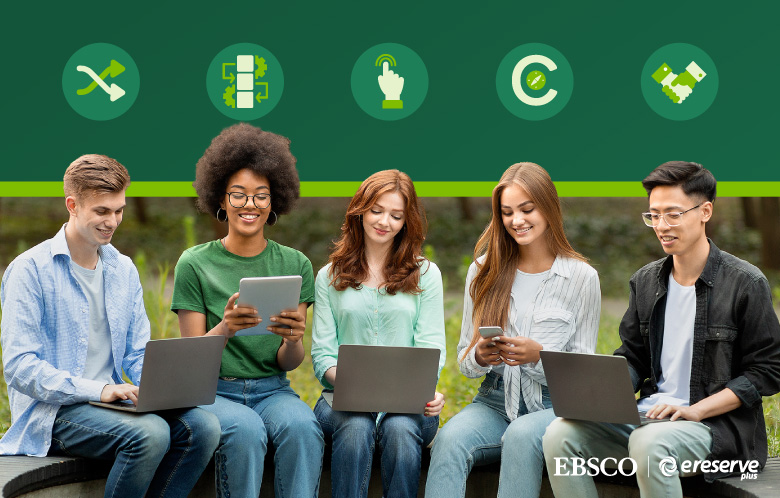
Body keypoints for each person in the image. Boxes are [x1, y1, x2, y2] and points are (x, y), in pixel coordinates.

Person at [543, 161, 780, 497]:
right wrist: (601, 394)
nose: (661, 225)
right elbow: (633, 357)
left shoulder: (745, 283)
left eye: (673, 214)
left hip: (716, 428)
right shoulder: (646, 282)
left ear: (705, 211)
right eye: (653, 215)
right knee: (559, 434)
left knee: (648, 444)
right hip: (651, 415)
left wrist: (696, 410)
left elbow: (768, 370)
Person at [0, 154, 221, 498]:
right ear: (72, 205)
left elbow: (136, 353)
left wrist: (164, 385)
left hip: (111, 405)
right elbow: (19, 367)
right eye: (102, 211)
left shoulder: (123, 269)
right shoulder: (29, 270)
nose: (112, 221)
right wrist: (98, 390)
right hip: (53, 413)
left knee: (204, 428)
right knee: (150, 434)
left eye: (119, 210)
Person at [425, 162, 601, 498]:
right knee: (449, 439)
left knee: (522, 433)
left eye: (526, 209)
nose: (516, 220)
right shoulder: (482, 271)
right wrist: (479, 354)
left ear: (548, 207)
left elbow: (584, 374)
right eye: (507, 212)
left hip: (555, 407)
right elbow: (464, 361)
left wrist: (541, 357)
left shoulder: (581, 278)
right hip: (492, 402)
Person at [171, 123, 324, 498]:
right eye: (237, 195)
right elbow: (190, 361)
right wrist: (225, 328)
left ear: (274, 201)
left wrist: (293, 340)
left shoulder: (296, 264)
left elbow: (290, 362)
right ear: (221, 200)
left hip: (274, 390)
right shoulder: (194, 263)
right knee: (245, 431)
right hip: (214, 393)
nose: (249, 205)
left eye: (260, 196)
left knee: (304, 428)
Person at [311, 169, 446, 498]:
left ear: (406, 221)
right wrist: (356, 385)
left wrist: (427, 389)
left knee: (400, 429)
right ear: (359, 210)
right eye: (376, 210)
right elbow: (322, 356)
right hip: (340, 401)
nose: (385, 221)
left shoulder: (425, 275)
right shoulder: (330, 276)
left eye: (396, 215)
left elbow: (431, 349)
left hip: (407, 406)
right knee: (356, 426)